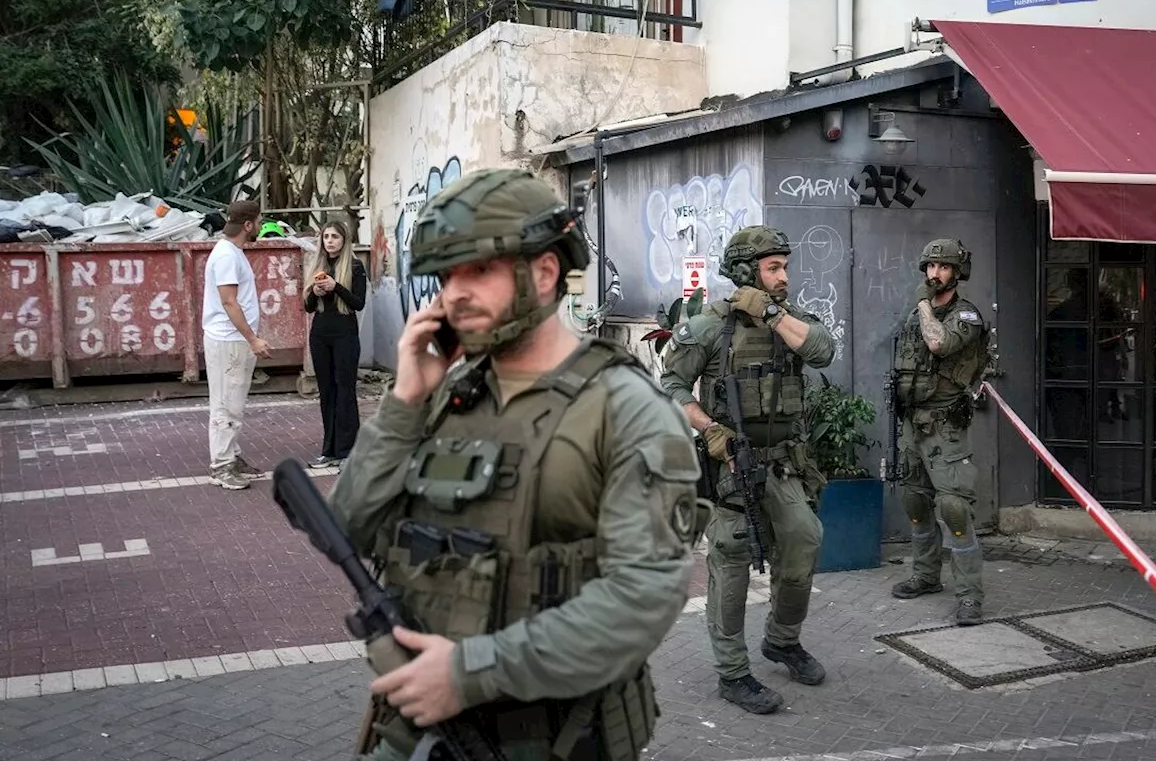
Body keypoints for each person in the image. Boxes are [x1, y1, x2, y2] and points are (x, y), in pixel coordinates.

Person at [326, 168, 701, 761]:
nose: (453, 295)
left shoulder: (627, 410)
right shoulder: (444, 393)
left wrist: (468, 673)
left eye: (478, 270)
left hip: (551, 741)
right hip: (414, 733)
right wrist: (403, 403)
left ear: (544, 273)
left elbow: (642, 599)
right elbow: (347, 529)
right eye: (447, 276)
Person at [658, 226, 835, 716]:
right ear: (744, 272)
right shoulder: (710, 326)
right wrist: (710, 428)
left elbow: (822, 351)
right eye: (772, 268)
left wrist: (773, 313)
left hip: (784, 464)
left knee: (804, 540)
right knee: (732, 559)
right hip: (731, 462)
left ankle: (782, 641)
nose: (784, 276)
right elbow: (670, 384)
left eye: (785, 267)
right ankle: (733, 673)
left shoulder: (790, 320)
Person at [888, 238, 989, 626]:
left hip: (946, 426)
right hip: (913, 421)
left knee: (954, 509)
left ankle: (970, 597)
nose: (934, 274)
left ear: (957, 272)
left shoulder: (966, 317)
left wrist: (925, 308)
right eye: (929, 268)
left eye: (943, 268)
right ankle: (926, 576)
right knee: (915, 501)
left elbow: (938, 343)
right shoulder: (918, 313)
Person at [201, 199, 272, 490]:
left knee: (233, 403)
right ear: (247, 225)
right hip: (229, 341)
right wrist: (252, 338)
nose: (259, 226)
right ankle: (221, 466)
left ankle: (232, 456)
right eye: (257, 221)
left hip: (230, 340)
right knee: (226, 405)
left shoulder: (231, 252)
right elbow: (229, 301)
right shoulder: (228, 256)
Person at [303, 220, 367, 467]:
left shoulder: (355, 266)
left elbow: (358, 303)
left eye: (335, 237)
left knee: (345, 390)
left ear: (344, 241)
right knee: (326, 392)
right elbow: (307, 307)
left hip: (345, 334)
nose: (329, 241)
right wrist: (314, 293)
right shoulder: (317, 265)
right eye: (326, 237)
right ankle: (328, 448)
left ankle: (347, 450)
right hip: (320, 334)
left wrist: (336, 287)